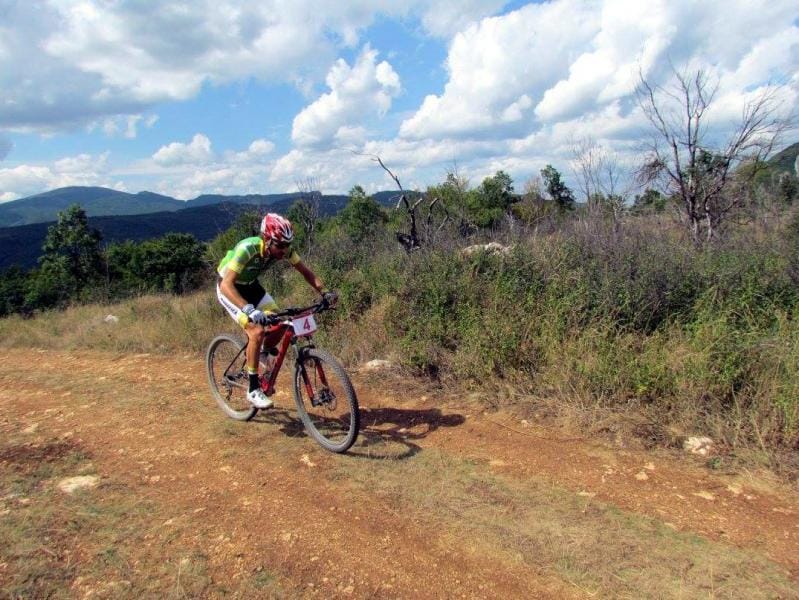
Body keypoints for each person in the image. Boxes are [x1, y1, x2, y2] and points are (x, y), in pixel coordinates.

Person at [216, 212, 337, 409]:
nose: (284, 250)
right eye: (280, 245)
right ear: (266, 239)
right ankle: (253, 390)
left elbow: (306, 272)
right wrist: (248, 309)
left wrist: (325, 292)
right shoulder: (247, 249)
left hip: (251, 286)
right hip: (229, 288)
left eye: (287, 245)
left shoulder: (285, 250)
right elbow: (227, 285)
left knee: (280, 322)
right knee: (256, 331)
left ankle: (260, 355)